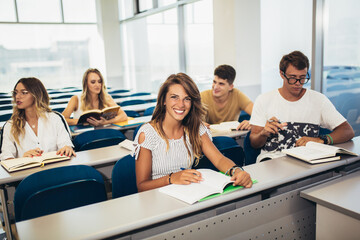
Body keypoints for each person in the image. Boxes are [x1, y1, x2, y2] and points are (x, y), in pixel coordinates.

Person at [133, 73, 252, 192]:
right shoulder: (147, 134)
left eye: (187, 99)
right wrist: (171, 178)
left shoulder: (195, 128)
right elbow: (142, 186)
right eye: (174, 97)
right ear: (164, 100)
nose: (181, 104)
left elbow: (219, 159)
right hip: (157, 198)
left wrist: (237, 171)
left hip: (187, 194)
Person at [250, 51, 355, 162]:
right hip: (272, 161)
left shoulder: (318, 100)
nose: (298, 83)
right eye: (292, 77)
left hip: (307, 161)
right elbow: (254, 143)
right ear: (282, 74)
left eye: (302, 78)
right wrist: (263, 133)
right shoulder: (264, 100)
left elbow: (347, 131)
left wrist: (321, 140)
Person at [0, 77, 75, 160]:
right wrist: (23, 159)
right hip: (26, 172)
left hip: (55, 170)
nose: (17, 96)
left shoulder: (55, 118)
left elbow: (66, 144)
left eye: (24, 93)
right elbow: (6, 157)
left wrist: (67, 148)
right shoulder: (10, 126)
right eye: (15, 93)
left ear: (36, 94)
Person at [62, 68, 127, 126]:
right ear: (86, 84)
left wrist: (105, 122)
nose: (97, 85)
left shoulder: (107, 98)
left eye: (99, 81)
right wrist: (84, 121)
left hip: (102, 133)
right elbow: (63, 119)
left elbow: (123, 116)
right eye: (93, 82)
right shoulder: (75, 99)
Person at [201, 64, 253, 130]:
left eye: (221, 84)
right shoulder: (202, 97)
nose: (215, 87)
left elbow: (258, 114)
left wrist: (251, 122)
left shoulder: (237, 95)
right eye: (214, 82)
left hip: (232, 136)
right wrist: (199, 124)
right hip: (209, 136)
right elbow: (191, 119)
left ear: (230, 87)